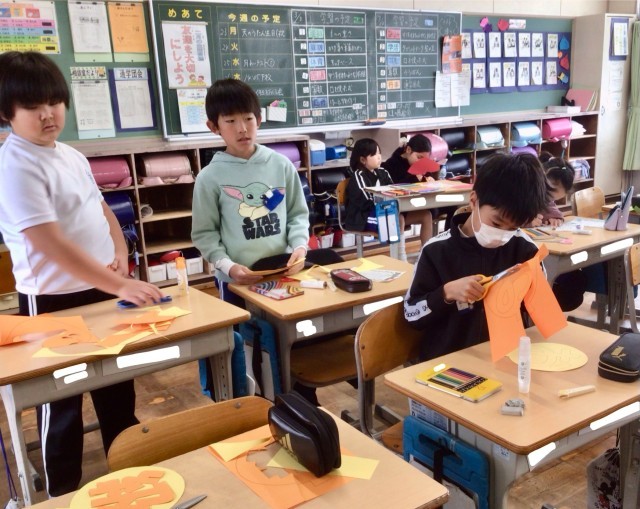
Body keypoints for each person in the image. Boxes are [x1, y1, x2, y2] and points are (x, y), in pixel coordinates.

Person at [0, 51, 164, 496]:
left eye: (55, 102)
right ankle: (61, 492)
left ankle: (128, 472)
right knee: (61, 402)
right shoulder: (15, 165)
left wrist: (119, 250)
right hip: (53, 301)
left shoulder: (69, 154)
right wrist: (120, 284)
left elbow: (102, 208)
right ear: (7, 112)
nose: (48, 114)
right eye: (32, 106)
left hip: (102, 290)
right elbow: (49, 245)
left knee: (116, 386)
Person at [191, 78, 311, 397]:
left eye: (248, 118)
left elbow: (297, 214)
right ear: (213, 126)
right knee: (247, 353)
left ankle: (295, 402)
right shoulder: (210, 177)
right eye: (230, 121)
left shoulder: (280, 165)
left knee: (289, 347)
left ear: (259, 118)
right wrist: (228, 267)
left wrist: (299, 247)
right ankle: (255, 404)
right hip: (237, 282)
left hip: (283, 275)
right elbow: (204, 234)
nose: (242, 128)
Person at [404, 152, 550, 360]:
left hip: (506, 358)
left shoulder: (526, 250)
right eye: (496, 223)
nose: (502, 234)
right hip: (448, 362)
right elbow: (411, 314)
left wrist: (529, 291)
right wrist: (446, 293)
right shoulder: (436, 251)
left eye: (514, 227)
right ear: (474, 201)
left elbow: (541, 313)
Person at [344, 138, 433, 260]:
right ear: (363, 160)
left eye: (379, 153)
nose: (379, 157)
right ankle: (400, 256)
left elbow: (394, 190)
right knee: (397, 217)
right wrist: (388, 205)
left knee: (426, 215)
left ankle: (427, 255)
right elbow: (366, 202)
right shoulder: (358, 176)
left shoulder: (383, 172)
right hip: (363, 218)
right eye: (374, 154)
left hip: (385, 211)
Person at [529, 155, 575, 228]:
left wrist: (556, 217)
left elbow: (549, 205)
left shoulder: (544, 195)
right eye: (547, 196)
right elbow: (509, 216)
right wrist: (524, 222)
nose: (548, 201)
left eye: (553, 199)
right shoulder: (522, 187)